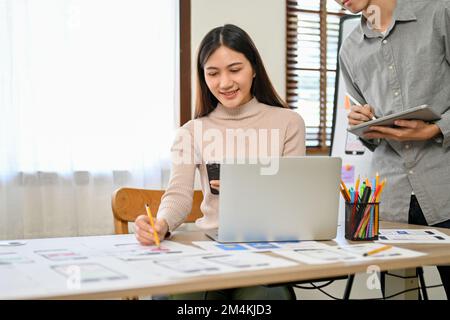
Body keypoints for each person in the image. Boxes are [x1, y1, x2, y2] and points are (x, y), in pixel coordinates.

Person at [134, 24, 305, 299]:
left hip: (267, 252)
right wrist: (162, 224)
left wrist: (246, 188)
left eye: (235, 70)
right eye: (213, 73)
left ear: (254, 68)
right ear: (204, 77)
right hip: (209, 254)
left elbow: (294, 200)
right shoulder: (191, 132)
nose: (224, 83)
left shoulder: (289, 123)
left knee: (268, 299)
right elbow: (178, 195)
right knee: (172, 296)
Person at [337, 0, 450, 298]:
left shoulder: (440, 13)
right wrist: (363, 123)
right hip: (391, 201)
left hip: (445, 188)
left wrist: (437, 128)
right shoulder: (350, 50)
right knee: (399, 295)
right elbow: (372, 136)